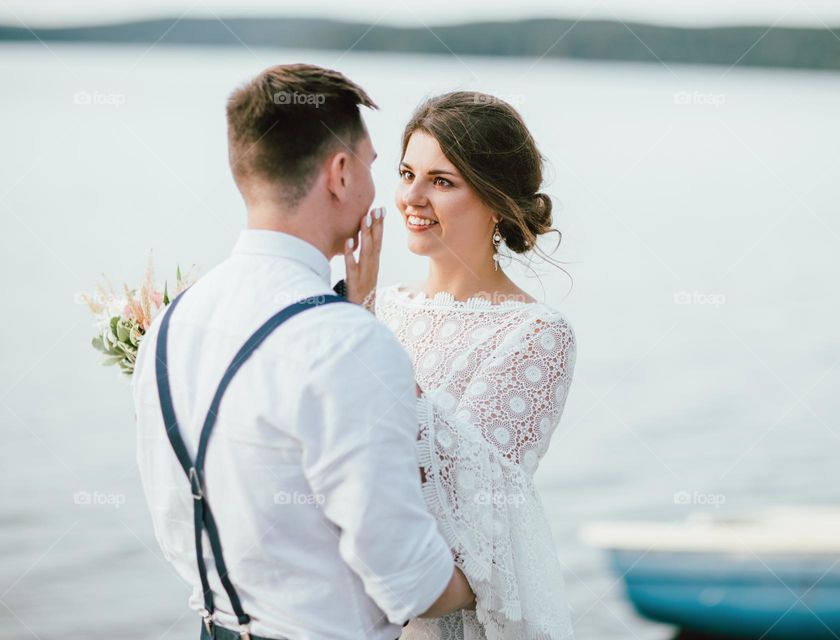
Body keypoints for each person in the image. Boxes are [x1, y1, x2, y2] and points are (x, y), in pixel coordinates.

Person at [132, 64, 474, 640]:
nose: (378, 184)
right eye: (371, 163)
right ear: (339, 174)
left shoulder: (170, 324)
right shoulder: (347, 343)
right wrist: (495, 576)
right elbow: (409, 581)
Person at [346, 92, 577, 639]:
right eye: (407, 173)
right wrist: (350, 317)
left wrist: (356, 337)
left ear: (495, 200)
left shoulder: (535, 334)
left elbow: (472, 510)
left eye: (442, 182)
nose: (412, 197)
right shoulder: (379, 307)